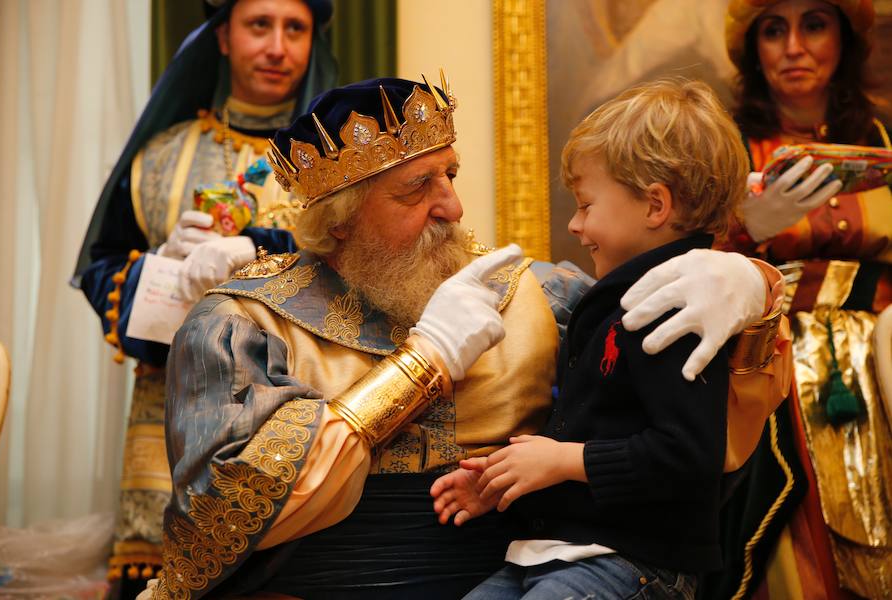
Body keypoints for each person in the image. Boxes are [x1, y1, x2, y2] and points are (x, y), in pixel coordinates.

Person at [146, 75, 791, 600]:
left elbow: (712, 447)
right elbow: (222, 519)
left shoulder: (541, 297)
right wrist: (422, 364)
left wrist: (750, 285)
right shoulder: (243, 324)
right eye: (416, 186)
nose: (452, 205)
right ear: (339, 216)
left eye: (450, 175)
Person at [428, 78, 760, 600]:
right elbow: (600, 428)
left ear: (655, 206)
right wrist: (507, 479)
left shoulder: (676, 304)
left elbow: (687, 456)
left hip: (631, 563)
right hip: (561, 552)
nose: (577, 226)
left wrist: (561, 461)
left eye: (585, 206)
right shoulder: (620, 298)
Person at [71, 0, 336, 595]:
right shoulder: (160, 157)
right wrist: (158, 269)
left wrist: (261, 248)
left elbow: (355, 270)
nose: (277, 47)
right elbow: (102, 267)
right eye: (259, 25)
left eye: (295, 29)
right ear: (222, 36)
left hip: (298, 420)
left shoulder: (338, 159)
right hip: (167, 422)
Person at [713, 1, 892, 598]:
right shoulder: (728, 147)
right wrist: (746, 229)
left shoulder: (885, 137)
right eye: (773, 30)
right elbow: (687, 266)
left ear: (844, 39)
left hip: (886, 361)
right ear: (752, 49)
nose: (793, 46)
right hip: (775, 364)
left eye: (813, 24)